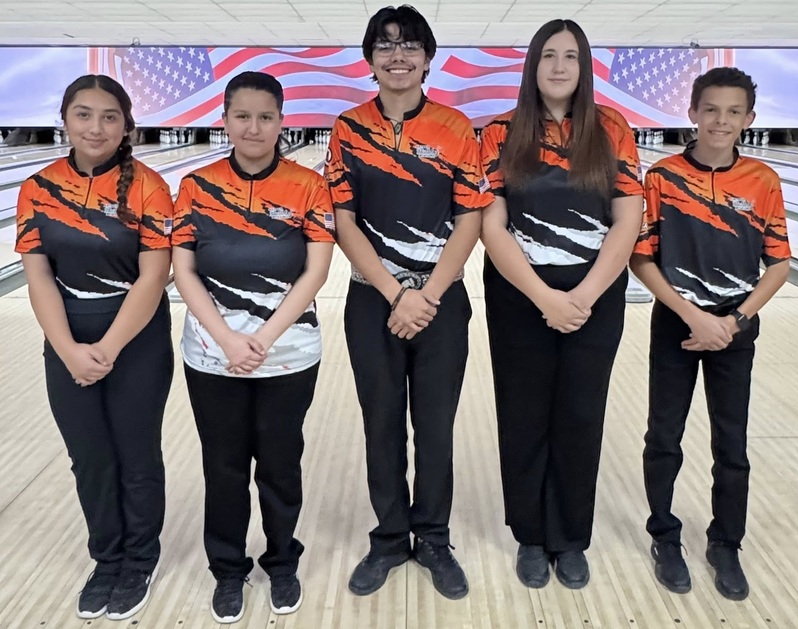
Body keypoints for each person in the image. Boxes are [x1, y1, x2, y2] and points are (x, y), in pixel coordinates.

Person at [325, 4, 493, 601]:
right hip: (373, 301)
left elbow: (470, 218)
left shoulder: (456, 128)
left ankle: (434, 537)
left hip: (442, 300)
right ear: (370, 58)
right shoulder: (348, 127)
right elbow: (343, 221)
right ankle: (391, 537)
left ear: (428, 57)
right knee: (382, 424)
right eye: (386, 44)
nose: (398, 55)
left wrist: (427, 295)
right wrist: (398, 293)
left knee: (436, 426)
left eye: (410, 45)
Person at [479, 19, 643, 590]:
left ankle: (570, 537)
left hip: (594, 294)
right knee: (522, 415)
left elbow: (628, 218)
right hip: (520, 294)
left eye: (570, 56)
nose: (558, 66)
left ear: (584, 65)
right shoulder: (499, 131)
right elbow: (491, 223)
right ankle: (530, 534)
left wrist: (584, 296)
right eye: (548, 55)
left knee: (579, 413)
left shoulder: (612, 128)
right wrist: (544, 296)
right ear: (532, 64)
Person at [172, 71, 335, 623]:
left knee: (281, 464)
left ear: (282, 121)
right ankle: (227, 569)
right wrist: (225, 339)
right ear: (224, 120)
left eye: (266, 116)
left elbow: (316, 271)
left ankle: (283, 561)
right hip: (211, 356)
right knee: (223, 467)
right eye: (242, 115)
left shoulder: (309, 185)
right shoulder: (194, 186)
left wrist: (261, 339)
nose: (254, 127)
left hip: (288, 353)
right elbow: (184, 270)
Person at [15, 74, 174, 620]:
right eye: (83, 114)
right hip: (66, 342)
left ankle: (139, 560)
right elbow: (38, 278)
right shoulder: (35, 188)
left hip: (136, 340)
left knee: (136, 455)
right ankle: (106, 559)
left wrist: (105, 348)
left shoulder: (150, 186)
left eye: (109, 116)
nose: (96, 126)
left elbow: (154, 277)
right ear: (64, 120)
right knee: (89, 459)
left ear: (127, 125)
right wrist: (68, 350)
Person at [631, 67, 791, 601]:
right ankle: (664, 534)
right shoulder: (661, 177)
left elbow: (777, 264)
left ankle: (726, 543)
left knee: (733, 443)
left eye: (732, 112)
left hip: (735, 328)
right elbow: (642, 257)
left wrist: (734, 321)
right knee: (664, 437)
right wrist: (690, 315)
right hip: (675, 323)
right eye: (711, 109)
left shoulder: (765, 182)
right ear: (692, 112)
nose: (720, 120)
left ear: (749, 119)